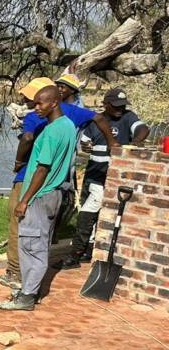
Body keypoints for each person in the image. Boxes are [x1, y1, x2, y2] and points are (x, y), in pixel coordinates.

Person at [0, 78, 117, 292]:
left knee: (22, 229)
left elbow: (29, 143)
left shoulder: (39, 119)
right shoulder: (70, 120)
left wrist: (18, 164)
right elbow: (99, 118)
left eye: (35, 100)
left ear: (50, 101)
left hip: (32, 181)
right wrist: (113, 144)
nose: (30, 103)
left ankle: (17, 275)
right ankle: (33, 278)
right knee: (43, 232)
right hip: (59, 185)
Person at [0, 85, 77, 311]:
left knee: (32, 245)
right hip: (55, 195)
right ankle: (29, 289)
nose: (36, 108)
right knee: (40, 242)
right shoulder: (68, 126)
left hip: (41, 196)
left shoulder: (52, 131)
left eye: (41, 103)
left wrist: (25, 200)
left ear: (54, 102)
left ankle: (27, 297)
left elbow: (42, 168)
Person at [58, 87, 149, 268]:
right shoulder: (95, 121)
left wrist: (134, 143)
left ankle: (75, 255)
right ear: (105, 104)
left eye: (122, 106)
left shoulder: (128, 117)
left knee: (86, 215)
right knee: (88, 211)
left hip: (109, 178)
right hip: (93, 173)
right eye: (115, 106)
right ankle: (88, 250)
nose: (119, 109)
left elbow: (143, 129)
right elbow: (84, 142)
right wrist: (86, 147)